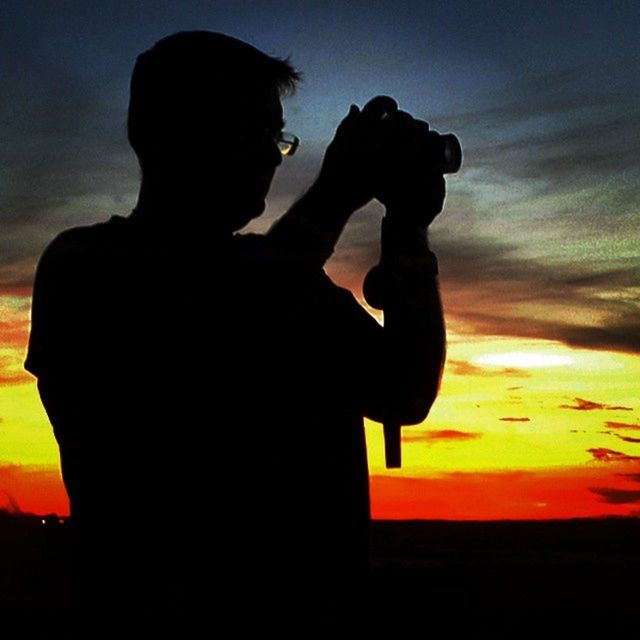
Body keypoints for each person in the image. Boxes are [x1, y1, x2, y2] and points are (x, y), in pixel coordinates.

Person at [25, 31, 446, 634]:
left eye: (276, 139)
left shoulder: (285, 277)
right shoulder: (86, 267)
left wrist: (408, 233)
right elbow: (217, 332)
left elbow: (404, 390)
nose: (271, 158)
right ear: (169, 136)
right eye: (251, 134)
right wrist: (336, 192)